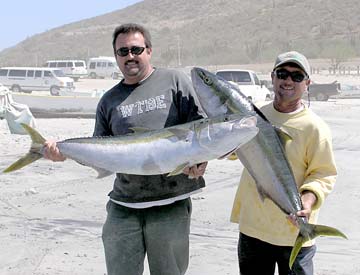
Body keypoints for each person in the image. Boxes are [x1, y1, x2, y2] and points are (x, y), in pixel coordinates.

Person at [43, 23, 207, 275]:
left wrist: (201, 161)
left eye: (136, 49)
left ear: (149, 50)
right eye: (123, 52)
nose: (130, 56)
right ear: (116, 57)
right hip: (123, 204)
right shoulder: (108, 100)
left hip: (170, 203)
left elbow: (201, 131)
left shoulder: (174, 81)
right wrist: (62, 152)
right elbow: (99, 151)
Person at [230, 51, 337, 275]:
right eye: (283, 73)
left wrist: (307, 203)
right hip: (254, 230)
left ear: (307, 83)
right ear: (273, 77)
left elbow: (323, 174)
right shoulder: (254, 115)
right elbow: (232, 149)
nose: (288, 80)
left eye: (297, 76)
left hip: (294, 232)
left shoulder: (314, 128)